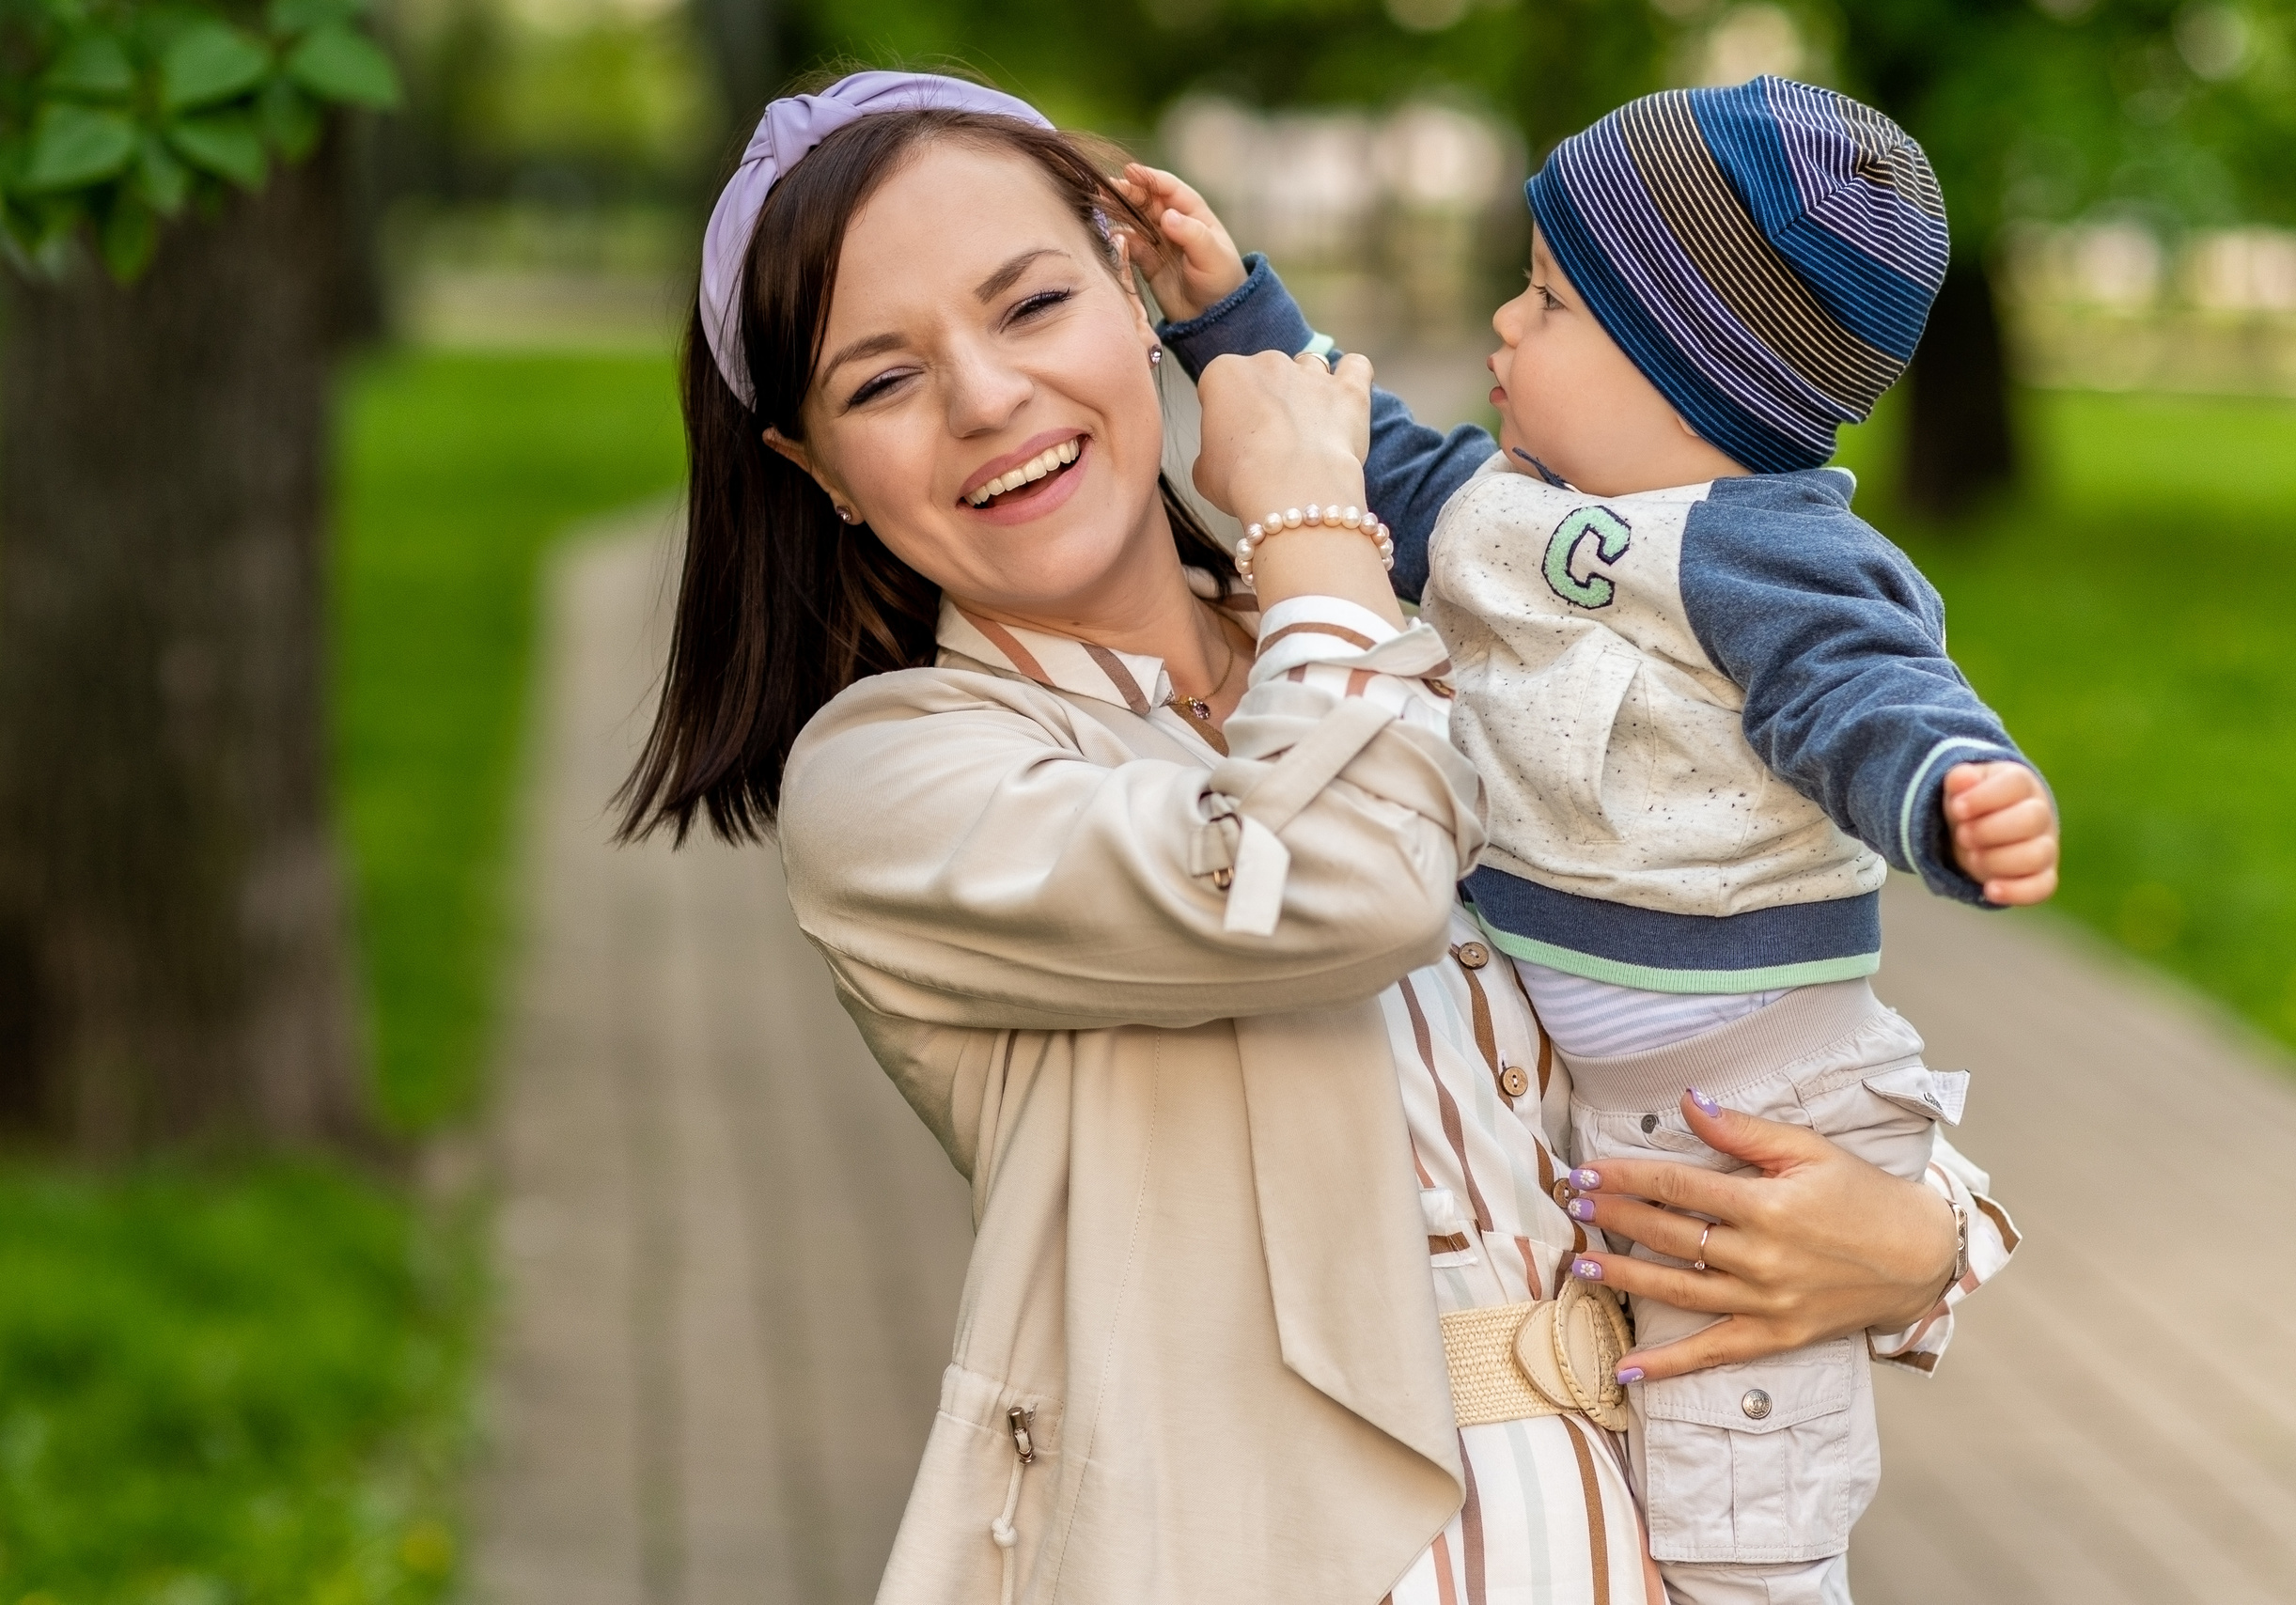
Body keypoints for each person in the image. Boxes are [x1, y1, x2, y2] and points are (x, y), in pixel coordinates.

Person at [620, 70, 2016, 1605]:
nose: (988, 398)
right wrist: (1309, 525)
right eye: (880, 382)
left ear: (1134, 292)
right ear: (815, 469)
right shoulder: (897, 785)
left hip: (1647, 1543)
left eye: (1029, 306)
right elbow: (1355, 887)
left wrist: (1922, 1245)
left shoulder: (1408, 628)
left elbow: (1722, 1014)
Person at [1119, 76, 2051, 1603]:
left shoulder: (1771, 546)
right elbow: (1374, 467)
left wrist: (1952, 796)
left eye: (1548, 303)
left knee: (1742, 1478)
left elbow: (1866, 692)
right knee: (1670, 1418)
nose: (1502, 323)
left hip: (1760, 1088)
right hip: (1616, 1096)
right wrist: (1233, 311)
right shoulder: (1520, 511)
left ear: (1690, 366)